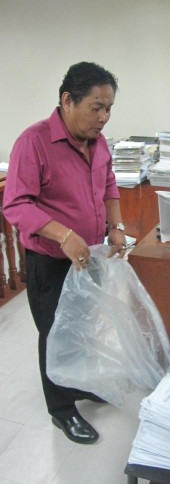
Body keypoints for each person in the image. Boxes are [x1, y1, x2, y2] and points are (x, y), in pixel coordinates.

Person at [3, 61, 127, 444]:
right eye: (96, 107)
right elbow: (16, 205)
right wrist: (63, 235)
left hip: (90, 256)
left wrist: (117, 225)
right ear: (67, 100)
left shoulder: (99, 141)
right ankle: (61, 409)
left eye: (109, 108)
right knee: (56, 334)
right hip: (51, 261)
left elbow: (108, 183)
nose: (104, 117)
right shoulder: (34, 141)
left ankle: (79, 384)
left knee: (84, 327)